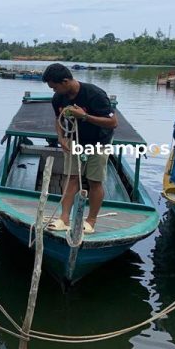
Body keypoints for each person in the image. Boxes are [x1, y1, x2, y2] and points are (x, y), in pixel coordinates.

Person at [42, 63, 117, 233]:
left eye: (55, 87)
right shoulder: (58, 99)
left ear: (66, 81)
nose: (54, 91)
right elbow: (58, 119)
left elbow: (113, 123)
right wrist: (61, 138)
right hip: (74, 141)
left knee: (94, 181)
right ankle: (64, 218)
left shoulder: (94, 94)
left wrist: (84, 116)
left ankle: (90, 222)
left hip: (98, 142)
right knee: (71, 178)